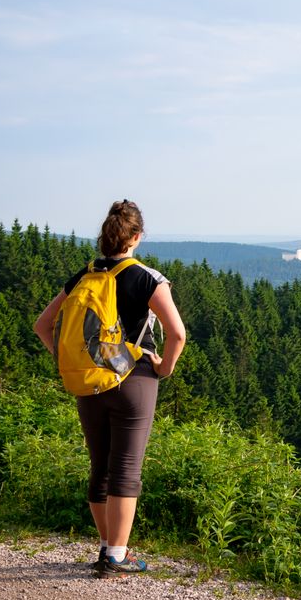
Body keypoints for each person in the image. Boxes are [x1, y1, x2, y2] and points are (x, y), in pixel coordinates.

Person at [34, 200, 187, 578]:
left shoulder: (84, 276)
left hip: (89, 380)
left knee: (100, 466)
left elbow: (43, 324)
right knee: (126, 468)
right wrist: (164, 367)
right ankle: (117, 557)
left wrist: (68, 359)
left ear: (106, 237)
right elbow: (178, 334)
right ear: (136, 237)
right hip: (132, 378)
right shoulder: (146, 277)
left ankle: (107, 548)